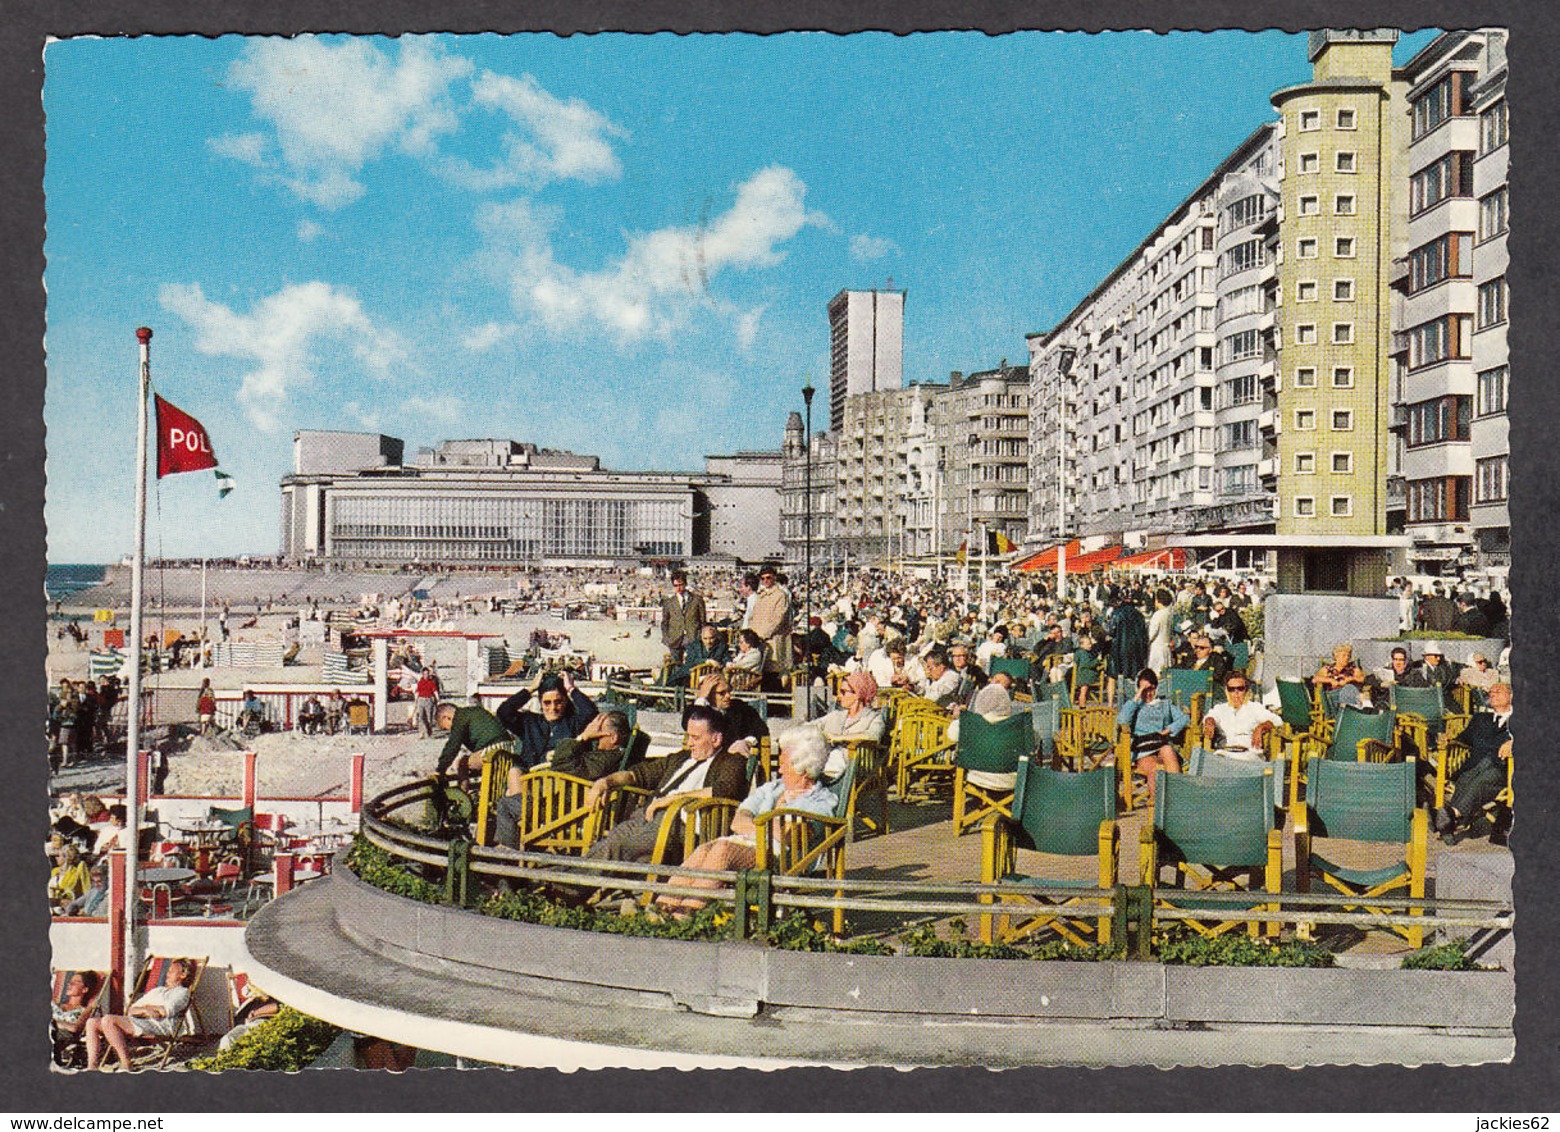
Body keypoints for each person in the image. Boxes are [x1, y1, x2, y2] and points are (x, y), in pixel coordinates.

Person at [655, 725, 838, 915]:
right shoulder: (773, 788)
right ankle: (662, 907)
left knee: (724, 851)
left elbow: (792, 836)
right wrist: (765, 827)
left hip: (783, 862)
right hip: (752, 846)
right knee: (703, 850)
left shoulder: (821, 801)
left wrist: (757, 825)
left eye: (785, 764)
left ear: (803, 769)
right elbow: (738, 820)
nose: (780, 770)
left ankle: (687, 912)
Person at [583, 706, 747, 865]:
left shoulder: (731, 762)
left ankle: (566, 883)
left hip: (681, 826)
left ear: (716, 739)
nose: (689, 743)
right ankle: (563, 882)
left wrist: (671, 799)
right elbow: (637, 774)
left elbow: (724, 789)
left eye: (695, 738)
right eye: (688, 736)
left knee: (617, 849)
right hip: (648, 817)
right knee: (611, 842)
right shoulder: (680, 759)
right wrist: (604, 782)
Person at [1432, 683, 1513, 844]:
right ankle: (1451, 817)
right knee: (1471, 776)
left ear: (1511, 696)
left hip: (1505, 771)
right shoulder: (1480, 719)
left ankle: (1449, 816)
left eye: (1498, 691)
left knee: (1485, 773)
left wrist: (1514, 742)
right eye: (1491, 691)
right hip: (1474, 769)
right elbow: (1462, 740)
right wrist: (1449, 740)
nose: (1493, 694)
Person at [84, 958, 194, 1070]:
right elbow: (131, 1009)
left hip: (159, 1025)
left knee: (108, 1020)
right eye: (168, 970)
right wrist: (146, 1010)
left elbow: (164, 1012)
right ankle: (92, 1066)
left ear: (183, 975)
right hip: (142, 1021)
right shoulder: (157, 991)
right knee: (91, 1022)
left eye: (172, 971)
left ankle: (125, 1061)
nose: (167, 973)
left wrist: (145, 1009)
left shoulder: (182, 992)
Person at [496, 671, 598, 771]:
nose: (553, 708)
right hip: (532, 781)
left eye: (558, 702)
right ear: (540, 702)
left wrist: (571, 689)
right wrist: (530, 689)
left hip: (565, 781)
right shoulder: (529, 723)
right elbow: (503, 712)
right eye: (547, 703)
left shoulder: (574, 723)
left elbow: (591, 713)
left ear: (566, 701)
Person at [1117, 668, 1188, 804]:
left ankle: (1176, 798)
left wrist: (1167, 730)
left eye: (1151, 689)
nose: (1148, 693)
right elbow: (1122, 720)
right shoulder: (1135, 706)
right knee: (1154, 768)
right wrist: (1138, 694)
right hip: (1142, 747)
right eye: (1145, 689)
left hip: (1160, 742)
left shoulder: (1164, 704)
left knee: (1168, 750)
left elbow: (1184, 718)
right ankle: (1156, 804)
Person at [817, 670, 885, 780]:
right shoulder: (837, 715)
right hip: (827, 760)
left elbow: (873, 736)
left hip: (854, 766)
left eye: (843, 692)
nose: (839, 696)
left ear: (857, 695)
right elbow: (814, 726)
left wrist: (839, 738)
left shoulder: (873, 718)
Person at [684, 673, 768, 758]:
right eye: (722, 693)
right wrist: (701, 697)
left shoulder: (740, 707)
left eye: (729, 691)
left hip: (736, 761)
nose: (728, 696)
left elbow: (761, 729)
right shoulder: (700, 710)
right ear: (709, 695)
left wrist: (747, 742)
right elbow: (687, 724)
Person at [1201, 672, 1280, 760]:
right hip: (1225, 752)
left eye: (1240, 688)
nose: (1236, 692)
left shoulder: (1254, 707)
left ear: (1246, 690)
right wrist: (1209, 722)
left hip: (1249, 753)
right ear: (1227, 691)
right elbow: (1210, 717)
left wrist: (1261, 727)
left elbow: (1277, 721)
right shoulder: (1221, 708)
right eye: (1232, 689)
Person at [548, 711, 636, 782]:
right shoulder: (614, 757)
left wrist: (584, 736)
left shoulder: (604, 761)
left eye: (598, 732)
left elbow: (561, 765)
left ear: (613, 738)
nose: (594, 738)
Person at [748, 565, 793, 677]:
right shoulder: (760, 596)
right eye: (763, 579)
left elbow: (778, 619)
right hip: (758, 640)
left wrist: (764, 634)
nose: (766, 581)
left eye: (768, 578)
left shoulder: (780, 595)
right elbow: (753, 617)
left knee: (773, 672)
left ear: (774, 577)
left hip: (773, 640)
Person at [1106, 590, 1149, 703]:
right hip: (1135, 651)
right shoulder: (1140, 616)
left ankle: (1110, 704)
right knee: (1133, 677)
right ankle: (1134, 701)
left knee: (1112, 677)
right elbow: (1145, 635)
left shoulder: (1116, 614)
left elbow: (1110, 631)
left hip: (1118, 650)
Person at [659, 570, 706, 668]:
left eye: (680, 585)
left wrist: (700, 637)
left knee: (692, 665)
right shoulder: (668, 602)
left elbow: (703, 621)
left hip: (692, 637)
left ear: (685, 583)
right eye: (675, 585)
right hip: (674, 639)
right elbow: (664, 622)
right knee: (676, 666)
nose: (678, 588)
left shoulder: (697, 599)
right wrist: (666, 639)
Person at [52, 971, 100, 1066]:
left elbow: (75, 1028)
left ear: (85, 989)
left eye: (76, 982)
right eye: (70, 982)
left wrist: (54, 1022)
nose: (70, 984)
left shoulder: (85, 1010)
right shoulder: (54, 1004)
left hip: (61, 1034)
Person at [1146, 589, 1174, 675]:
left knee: (1156, 675)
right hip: (1166, 649)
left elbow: (1151, 634)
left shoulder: (1157, 615)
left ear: (1157, 600)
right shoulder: (1169, 614)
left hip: (1157, 650)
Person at [413, 664, 441, 738]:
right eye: (424, 674)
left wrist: (438, 699)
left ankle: (429, 731)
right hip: (421, 699)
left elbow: (435, 691)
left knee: (429, 717)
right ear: (422, 674)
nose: (426, 675)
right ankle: (421, 733)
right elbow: (417, 691)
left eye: (427, 673)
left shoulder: (431, 682)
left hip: (429, 700)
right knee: (421, 717)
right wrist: (416, 700)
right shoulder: (420, 682)